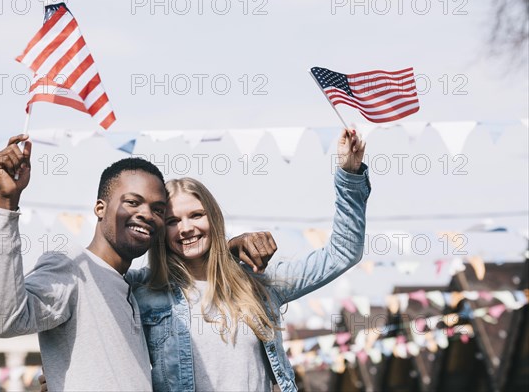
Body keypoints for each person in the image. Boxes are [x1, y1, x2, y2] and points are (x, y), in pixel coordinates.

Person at [0, 135, 273, 391]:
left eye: (157, 209)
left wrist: (226, 250)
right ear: (100, 207)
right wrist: (7, 204)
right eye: (133, 202)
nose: (146, 214)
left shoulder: (132, 289)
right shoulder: (72, 267)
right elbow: (4, 320)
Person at [124, 128, 370, 392]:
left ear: (214, 219)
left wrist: (349, 175)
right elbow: (100, 272)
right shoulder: (142, 290)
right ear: (161, 230)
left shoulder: (257, 283)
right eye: (173, 221)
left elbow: (342, 252)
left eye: (196, 215)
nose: (186, 228)